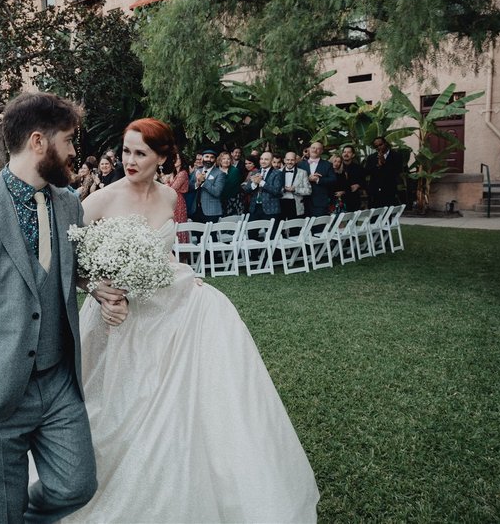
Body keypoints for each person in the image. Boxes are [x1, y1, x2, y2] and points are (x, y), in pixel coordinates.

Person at [69, 118, 319, 522]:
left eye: (141, 153)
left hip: (177, 307)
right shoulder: (100, 200)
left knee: (203, 379)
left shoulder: (170, 197)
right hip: (123, 318)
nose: (129, 161)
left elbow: (163, 253)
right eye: (126, 150)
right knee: (117, 406)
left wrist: (186, 276)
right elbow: (68, 263)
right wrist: (97, 290)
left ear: (164, 157)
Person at [0, 92, 123, 522]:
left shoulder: (70, 204)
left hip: (58, 385)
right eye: (68, 140)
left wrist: (99, 287)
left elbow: (64, 272)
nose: (74, 151)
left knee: (77, 484)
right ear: (38, 141)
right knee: (1, 515)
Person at [242, 151, 284, 223]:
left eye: (266, 159)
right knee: (251, 233)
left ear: (271, 161)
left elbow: (277, 191)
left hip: (271, 209)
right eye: (261, 159)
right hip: (254, 208)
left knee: (271, 233)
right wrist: (254, 184)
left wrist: (261, 182)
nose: (263, 161)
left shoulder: (278, 173)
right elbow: (246, 189)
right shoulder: (255, 172)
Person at [297, 142, 336, 217]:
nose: (315, 150)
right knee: (303, 227)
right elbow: (295, 181)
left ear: (321, 151)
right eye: (313, 148)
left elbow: (333, 180)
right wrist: (307, 179)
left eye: (318, 148)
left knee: (319, 227)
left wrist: (318, 180)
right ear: (309, 149)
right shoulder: (300, 165)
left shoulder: (327, 165)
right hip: (303, 202)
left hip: (320, 202)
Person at [365, 136, 404, 208]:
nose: (379, 147)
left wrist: (384, 162)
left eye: (380, 145)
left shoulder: (396, 156)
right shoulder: (371, 157)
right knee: (374, 215)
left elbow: (397, 171)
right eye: (376, 146)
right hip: (374, 190)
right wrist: (377, 165)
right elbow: (367, 171)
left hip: (389, 189)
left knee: (387, 215)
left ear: (385, 143)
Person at [195, 152, 231, 223]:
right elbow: (189, 187)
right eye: (207, 157)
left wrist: (204, 182)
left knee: (211, 234)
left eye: (212, 157)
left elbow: (217, 192)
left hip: (211, 211)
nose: (209, 159)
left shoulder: (220, 173)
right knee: (196, 233)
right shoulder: (197, 171)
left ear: (215, 160)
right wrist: (197, 183)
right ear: (202, 158)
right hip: (196, 209)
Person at [163, 151, 190, 243]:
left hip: (178, 200)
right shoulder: (175, 173)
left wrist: (166, 183)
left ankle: (181, 250)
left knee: (178, 222)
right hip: (172, 199)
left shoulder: (183, 173)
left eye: (177, 158)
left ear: (182, 160)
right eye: (173, 158)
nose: (175, 160)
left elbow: (173, 188)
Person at [279, 151, 312, 220]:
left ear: (296, 160)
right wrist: (282, 189)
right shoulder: (278, 172)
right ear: (284, 160)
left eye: (292, 160)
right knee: (279, 227)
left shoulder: (303, 173)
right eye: (288, 160)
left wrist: (295, 189)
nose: (290, 162)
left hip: (295, 203)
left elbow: (308, 191)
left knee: (294, 228)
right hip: (280, 202)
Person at [341, 145, 366, 211]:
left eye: (349, 152)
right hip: (339, 198)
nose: (346, 154)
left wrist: (358, 185)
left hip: (353, 198)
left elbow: (364, 181)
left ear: (353, 155)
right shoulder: (336, 166)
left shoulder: (359, 168)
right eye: (344, 152)